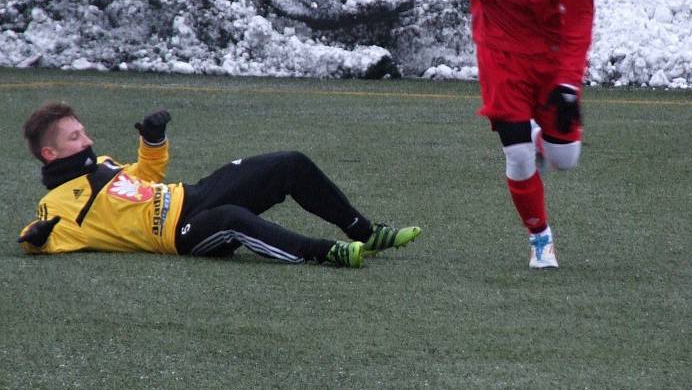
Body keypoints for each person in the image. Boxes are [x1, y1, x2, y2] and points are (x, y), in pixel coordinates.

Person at [422, 0, 594, 269]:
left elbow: (581, 20)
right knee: (517, 156)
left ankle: (540, 139)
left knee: (565, 159)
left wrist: (569, 83)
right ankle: (540, 238)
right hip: (499, 54)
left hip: (549, 60)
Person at [18, 102, 421, 268]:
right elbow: (40, 239)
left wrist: (153, 140)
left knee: (290, 163)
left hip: (191, 196)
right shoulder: (58, 204)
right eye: (75, 138)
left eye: (83, 132)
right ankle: (325, 253)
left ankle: (367, 234)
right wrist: (35, 237)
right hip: (179, 234)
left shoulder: (101, 165)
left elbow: (147, 176)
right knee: (231, 218)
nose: (87, 140)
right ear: (50, 154)